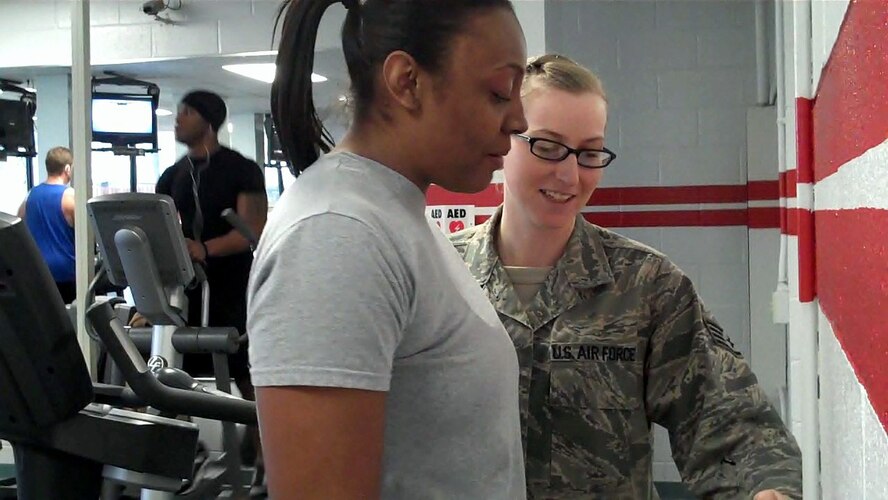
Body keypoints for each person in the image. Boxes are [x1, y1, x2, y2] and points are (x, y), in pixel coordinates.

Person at [450, 54, 803, 500]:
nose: (570, 173)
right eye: (548, 145)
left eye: (590, 152)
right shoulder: (440, 275)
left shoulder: (647, 285)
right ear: (504, 140)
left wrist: (761, 488)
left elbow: (726, 421)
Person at [247, 0, 529, 498]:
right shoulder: (337, 236)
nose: (519, 120)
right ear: (407, 82)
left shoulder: (391, 215)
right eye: (499, 92)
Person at [154, 89, 268, 468]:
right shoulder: (172, 177)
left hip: (233, 286)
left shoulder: (241, 169)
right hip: (187, 290)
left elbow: (251, 228)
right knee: (174, 375)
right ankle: (182, 455)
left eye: (186, 112)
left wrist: (205, 248)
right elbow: (163, 228)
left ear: (208, 119)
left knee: (247, 372)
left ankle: (266, 456)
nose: (177, 118)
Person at [18, 146, 76, 303]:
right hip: (66, 274)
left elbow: (18, 224)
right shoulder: (70, 196)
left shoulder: (31, 194)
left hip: (38, 274)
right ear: (67, 168)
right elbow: (88, 233)